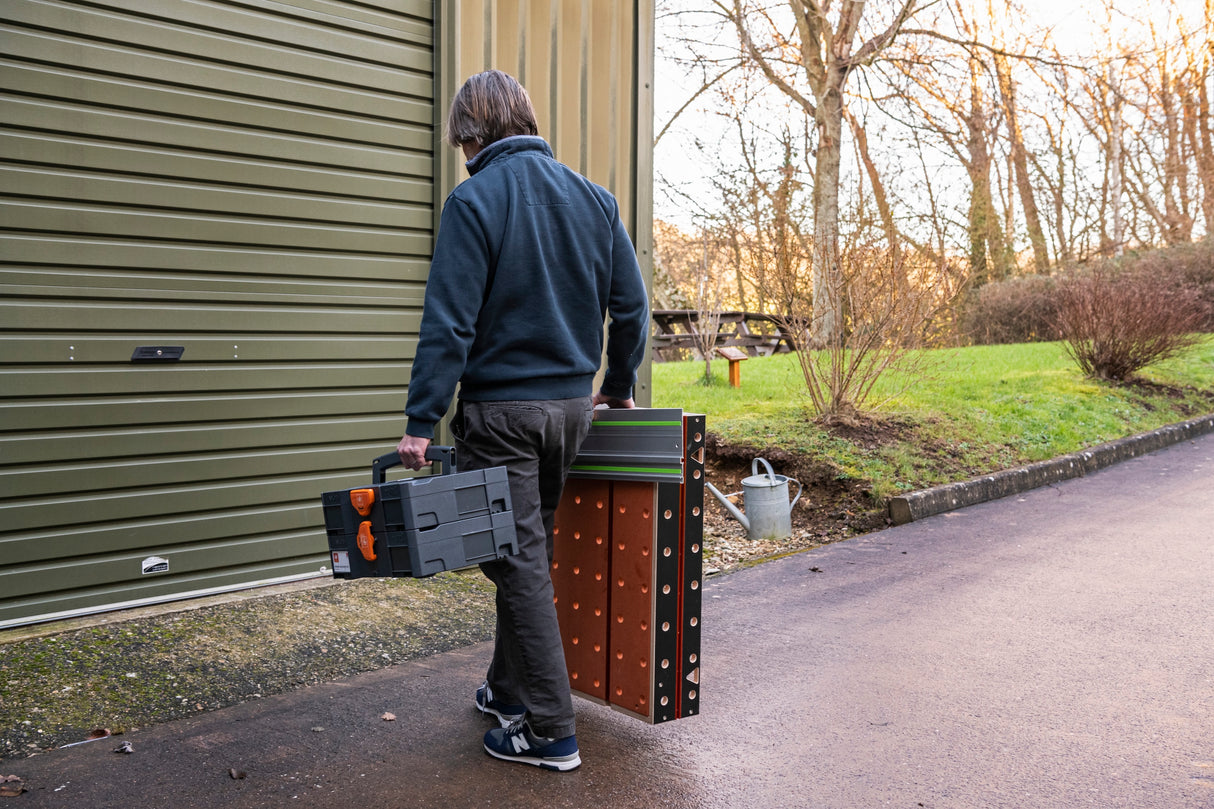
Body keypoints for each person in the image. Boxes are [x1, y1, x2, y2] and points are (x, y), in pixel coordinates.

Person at [396, 70, 648, 772]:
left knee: (516, 561)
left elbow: (448, 322)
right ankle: (506, 690)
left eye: (461, 144)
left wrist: (421, 418)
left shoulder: (473, 201)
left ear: (472, 136)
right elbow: (631, 308)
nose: (462, 157)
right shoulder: (595, 199)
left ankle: (550, 731)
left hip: (502, 415)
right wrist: (617, 386)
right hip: (570, 412)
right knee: (525, 552)